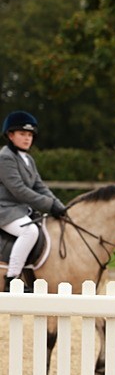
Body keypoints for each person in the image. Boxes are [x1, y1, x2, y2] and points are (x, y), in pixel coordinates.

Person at [0, 111, 67, 292]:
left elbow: (39, 186)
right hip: (5, 210)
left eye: (30, 135)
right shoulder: (5, 157)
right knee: (29, 231)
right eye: (22, 134)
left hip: (21, 210)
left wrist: (58, 204)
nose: (27, 138)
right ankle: (11, 280)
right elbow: (19, 190)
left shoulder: (28, 159)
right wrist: (48, 205)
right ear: (10, 135)